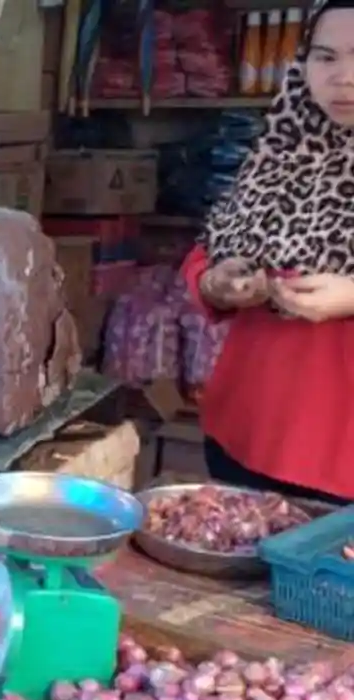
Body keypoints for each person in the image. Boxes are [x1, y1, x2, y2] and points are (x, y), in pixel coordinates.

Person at [180, 0, 354, 504]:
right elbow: (206, 253)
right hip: (248, 431)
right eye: (325, 57)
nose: (343, 77)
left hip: (342, 462)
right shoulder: (283, 149)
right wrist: (215, 282)